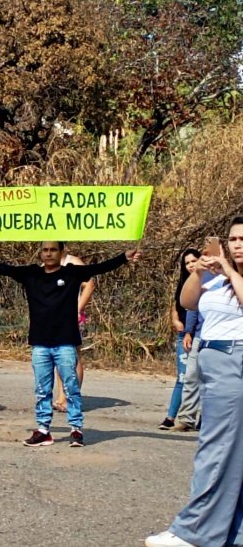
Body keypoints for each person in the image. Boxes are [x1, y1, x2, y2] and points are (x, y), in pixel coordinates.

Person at [0, 242, 140, 447]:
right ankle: (43, 430)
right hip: (40, 343)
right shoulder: (31, 274)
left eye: (53, 250)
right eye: (45, 250)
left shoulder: (72, 273)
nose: (48, 254)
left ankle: (75, 429)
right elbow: (3, 268)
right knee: (42, 389)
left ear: (62, 253)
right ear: (40, 253)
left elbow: (98, 268)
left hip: (65, 342)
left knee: (71, 387)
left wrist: (124, 257)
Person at [145, 217, 243, 547]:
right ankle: (234, 532)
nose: (237, 244)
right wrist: (199, 271)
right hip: (212, 359)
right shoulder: (214, 276)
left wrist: (230, 273)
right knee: (232, 450)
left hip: (235, 359)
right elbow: (187, 302)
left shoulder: (233, 276)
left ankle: (194, 532)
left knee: (214, 448)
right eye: (232, 239)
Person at [158, 249, 200, 430]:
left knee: (202, 379)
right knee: (183, 377)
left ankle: (199, 418)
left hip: (200, 335)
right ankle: (171, 416)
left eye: (193, 261)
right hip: (184, 335)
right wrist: (175, 320)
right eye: (187, 263)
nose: (191, 265)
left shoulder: (209, 282)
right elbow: (176, 306)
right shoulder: (184, 284)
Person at [52, 246, 96, 413]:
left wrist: (77, 309)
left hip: (71, 318)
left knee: (73, 357)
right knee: (58, 357)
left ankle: (71, 398)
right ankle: (61, 397)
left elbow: (89, 284)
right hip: (53, 318)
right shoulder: (48, 262)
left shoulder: (73, 262)